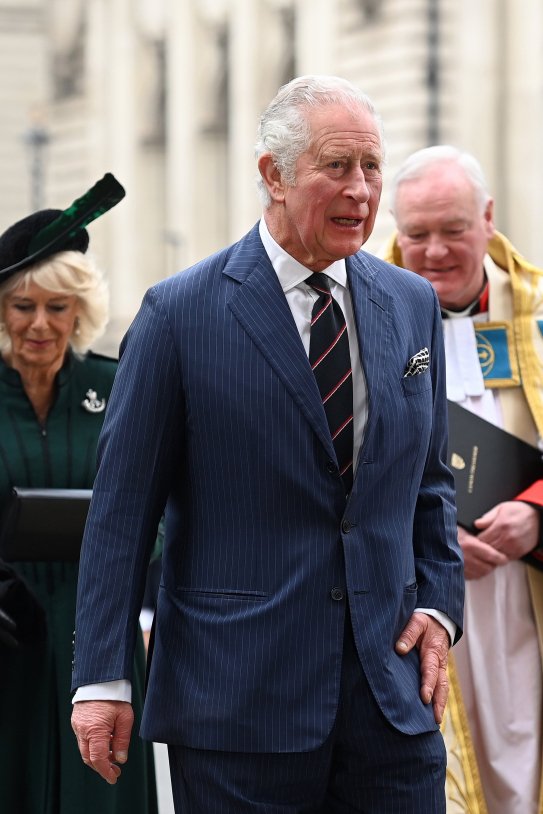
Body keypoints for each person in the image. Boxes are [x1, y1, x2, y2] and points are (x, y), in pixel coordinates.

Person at [71, 76, 464, 814]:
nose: (360, 190)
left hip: (391, 703)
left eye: (371, 166)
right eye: (336, 166)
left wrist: (439, 607)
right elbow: (121, 514)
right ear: (271, 175)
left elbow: (430, 484)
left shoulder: (410, 304)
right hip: (237, 706)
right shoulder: (177, 314)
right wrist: (102, 679)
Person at [383, 144, 543, 814]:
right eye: (415, 234)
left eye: (452, 230)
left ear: (487, 217)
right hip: (418, 595)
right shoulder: (364, 320)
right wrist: (430, 529)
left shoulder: (534, 311)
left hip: (528, 587)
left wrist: (538, 512)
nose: (434, 251)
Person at [0, 175, 158, 814]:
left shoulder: (118, 385)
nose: (40, 323)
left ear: (80, 310)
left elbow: (165, 497)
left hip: (99, 629)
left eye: (57, 306)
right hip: (6, 630)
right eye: (22, 305)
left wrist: (148, 592)